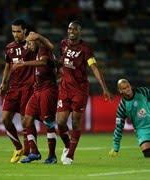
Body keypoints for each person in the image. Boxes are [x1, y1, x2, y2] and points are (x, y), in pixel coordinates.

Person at [0, 18, 54, 163]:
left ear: (24, 31)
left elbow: (47, 49)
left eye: (18, 31)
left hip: (29, 87)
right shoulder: (9, 47)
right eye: (13, 31)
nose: (15, 34)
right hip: (13, 88)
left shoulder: (31, 45)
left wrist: (38, 38)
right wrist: (3, 83)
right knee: (5, 119)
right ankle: (18, 147)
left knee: (26, 120)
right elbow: (8, 65)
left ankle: (32, 151)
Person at [57, 20, 112, 165]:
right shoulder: (63, 44)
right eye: (70, 28)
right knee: (60, 122)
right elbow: (61, 62)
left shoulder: (85, 48)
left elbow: (94, 67)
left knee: (75, 122)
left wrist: (104, 88)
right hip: (64, 89)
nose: (72, 31)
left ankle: (70, 155)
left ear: (79, 32)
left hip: (79, 90)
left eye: (75, 29)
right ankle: (68, 145)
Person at [12, 37, 58, 164]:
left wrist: (24, 63)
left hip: (48, 90)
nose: (28, 45)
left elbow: (43, 63)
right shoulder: (35, 52)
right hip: (37, 90)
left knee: (48, 122)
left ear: (37, 41)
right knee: (27, 120)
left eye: (30, 43)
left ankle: (52, 155)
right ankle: (34, 152)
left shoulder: (44, 50)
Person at [109, 79, 150, 158]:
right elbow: (119, 128)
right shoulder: (122, 106)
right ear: (120, 91)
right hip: (142, 130)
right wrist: (115, 148)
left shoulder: (142, 92)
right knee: (147, 153)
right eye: (124, 88)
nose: (127, 89)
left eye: (128, 86)